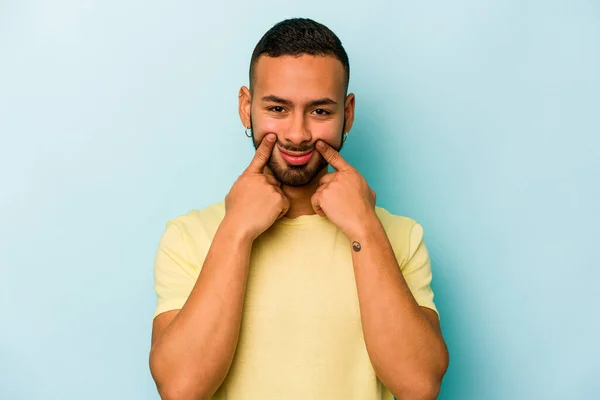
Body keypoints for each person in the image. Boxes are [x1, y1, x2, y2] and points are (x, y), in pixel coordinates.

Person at [149, 18, 449, 400]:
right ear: (246, 107)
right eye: (277, 108)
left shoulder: (399, 236)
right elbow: (180, 389)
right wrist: (237, 230)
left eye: (320, 111)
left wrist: (364, 229)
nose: (297, 134)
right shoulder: (189, 236)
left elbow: (419, 386)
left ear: (348, 113)